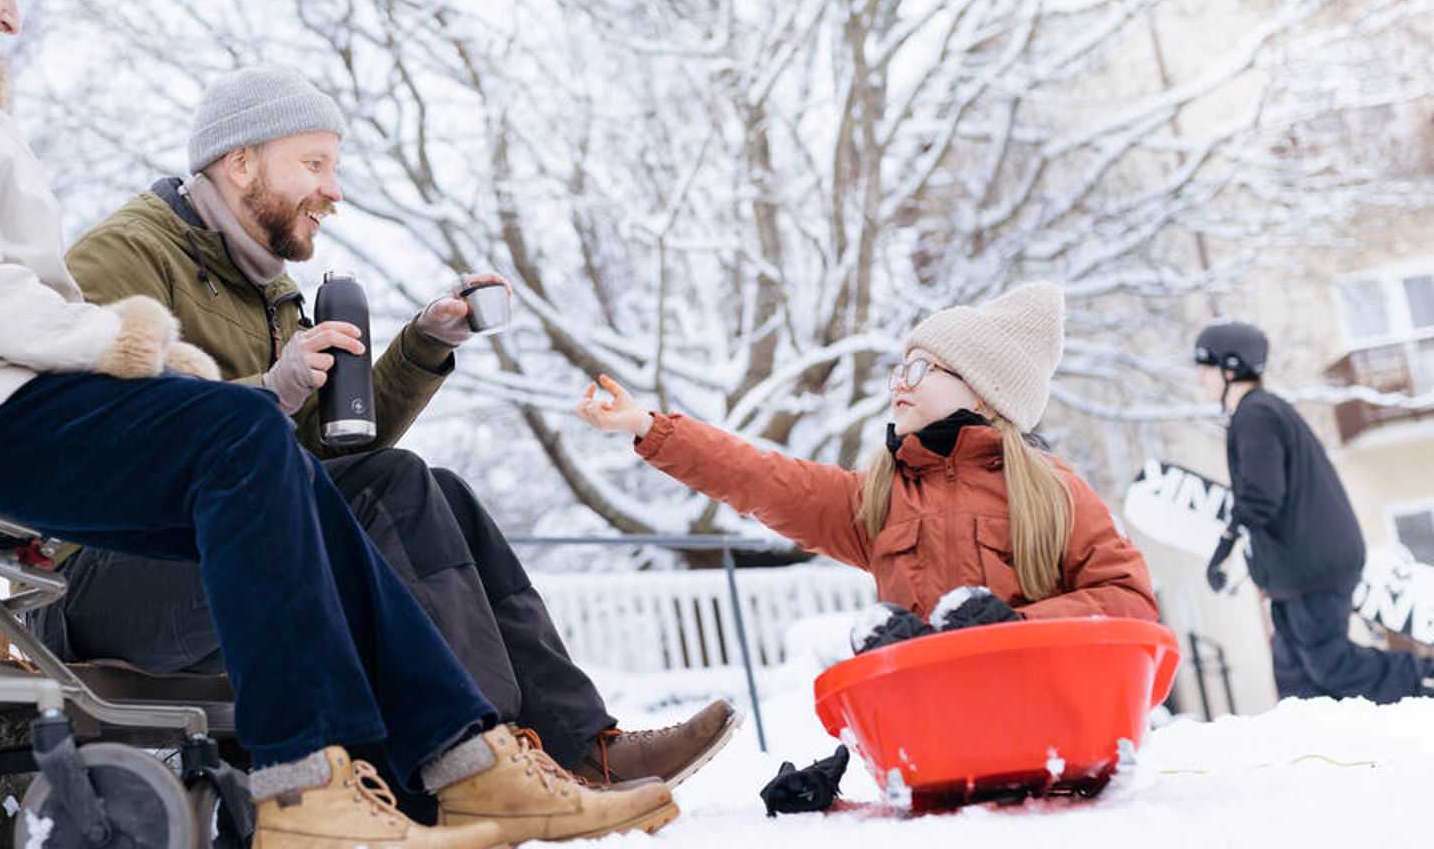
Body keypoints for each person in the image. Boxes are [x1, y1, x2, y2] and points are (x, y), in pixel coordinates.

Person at [0, 0, 677, 847]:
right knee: (236, 433)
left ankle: (462, 758)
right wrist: (139, 349)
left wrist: (311, 368)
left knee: (283, 460)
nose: (13, 14)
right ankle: (311, 786)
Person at [52, 65, 737, 788]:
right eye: (313, 164)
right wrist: (267, 392)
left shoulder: (271, 289)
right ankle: (482, 759)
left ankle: (575, 746)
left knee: (444, 494)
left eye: (335, 167)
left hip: (233, 540)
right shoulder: (125, 253)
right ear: (240, 160)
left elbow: (325, 459)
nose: (334, 190)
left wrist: (425, 343)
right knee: (395, 484)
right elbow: (99, 436)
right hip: (110, 574)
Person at [575, 282, 1158, 652]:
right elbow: (761, 478)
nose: (899, 383)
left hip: (1043, 722)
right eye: (899, 368)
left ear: (983, 393)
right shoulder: (880, 499)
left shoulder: (1052, 492)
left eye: (923, 369)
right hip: (940, 738)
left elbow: (1128, 600)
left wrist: (1011, 629)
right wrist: (647, 428)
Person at [1194, 321, 1434, 702]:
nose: (1200, 378)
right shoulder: (1261, 413)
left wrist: (1224, 549)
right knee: (1296, 678)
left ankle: (1426, 679)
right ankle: (1315, 748)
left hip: (1314, 566)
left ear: (1231, 367)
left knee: (1331, 666)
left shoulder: (1255, 415)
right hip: (1298, 570)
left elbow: (1260, 496)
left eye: (1206, 368)